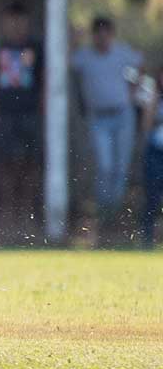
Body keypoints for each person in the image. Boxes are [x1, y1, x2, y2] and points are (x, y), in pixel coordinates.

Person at [71, 16, 142, 228]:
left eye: (106, 33)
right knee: (105, 165)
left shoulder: (122, 52)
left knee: (120, 166)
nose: (102, 38)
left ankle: (116, 213)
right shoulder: (84, 56)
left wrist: (132, 92)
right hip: (98, 117)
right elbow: (66, 61)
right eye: (98, 34)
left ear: (111, 34)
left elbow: (140, 65)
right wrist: (73, 40)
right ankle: (104, 211)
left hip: (122, 115)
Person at [0, 3, 43, 243]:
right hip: (5, 114)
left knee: (31, 163)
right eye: (12, 21)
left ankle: (27, 212)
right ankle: (7, 213)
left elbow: (43, 80)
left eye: (20, 21)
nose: (16, 26)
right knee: (6, 164)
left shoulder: (36, 47)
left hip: (30, 113)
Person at [141, 67, 163, 248]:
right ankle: (147, 236)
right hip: (156, 150)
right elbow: (146, 125)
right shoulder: (153, 97)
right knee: (153, 195)